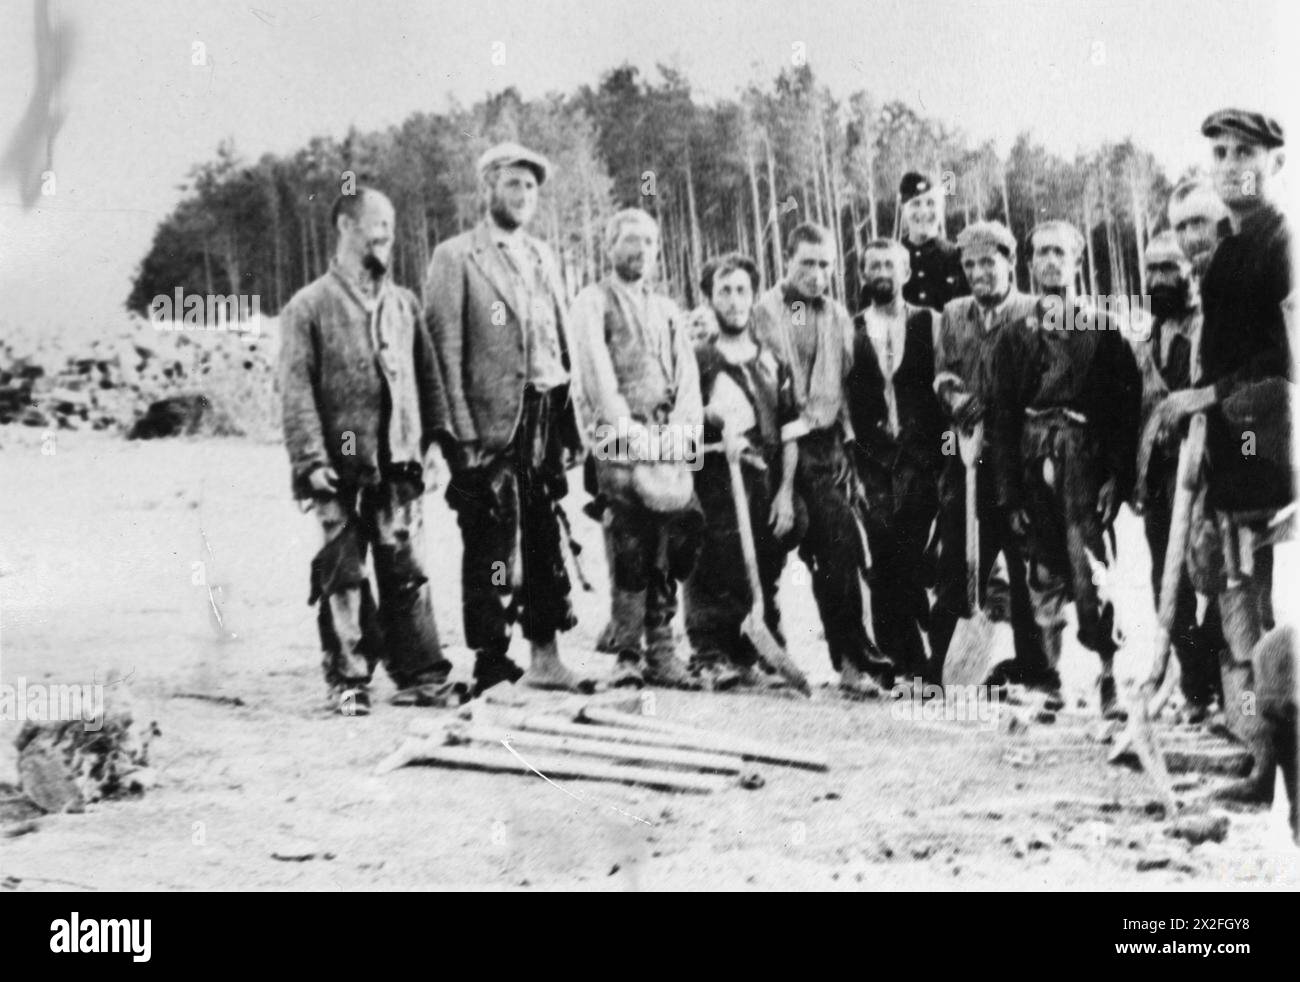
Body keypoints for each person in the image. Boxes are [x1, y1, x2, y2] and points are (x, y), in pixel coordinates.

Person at [1150, 109, 1294, 805]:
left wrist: (1208, 397)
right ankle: (1261, 763)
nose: (1233, 163)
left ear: (1277, 165)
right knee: (1242, 618)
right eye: (1220, 151)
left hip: (1273, 455)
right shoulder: (1234, 251)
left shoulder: (1281, 245)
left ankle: (1279, 771)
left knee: (1277, 622)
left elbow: (1284, 366)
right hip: (1238, 463)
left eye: (1248, 152)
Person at [279, 186, 452, 716]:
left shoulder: (403, 305)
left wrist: (436, 445)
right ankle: (349, 680)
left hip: (398, 463)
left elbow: (429, 379)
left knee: (405, 569)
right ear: (346, 227)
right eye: (378, 224)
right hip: (338, 468)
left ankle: (421, 675)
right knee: (343, 574)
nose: (387, 236)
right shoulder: (308, 306)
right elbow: (296, 389)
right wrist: (311, 461)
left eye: (392, 227)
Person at [422, 142, 587, 695]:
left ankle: (546, 656)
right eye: (512, 184)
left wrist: (570, 425)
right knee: (491, 545)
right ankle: (491, 662)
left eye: (531, 187)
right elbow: (443, 353)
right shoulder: (456, 257)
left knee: (543, 539)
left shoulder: (542, 255)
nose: (522, 195)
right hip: (488, 429)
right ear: (487, 188)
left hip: (544, 416)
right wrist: (458, 436)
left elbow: (558, 345)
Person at [991, 220, 1142, 717]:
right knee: (1041, 571)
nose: (1050, 261)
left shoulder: (1103, 331)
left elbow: (1125, 412)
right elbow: (1003, 417)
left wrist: (1117, 478)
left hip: (1083, 462)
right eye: (1041, 253)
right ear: (1030, 264)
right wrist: (1010, 495)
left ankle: (1108, 677)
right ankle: (1049, 680)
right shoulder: (1015, 336)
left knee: (1091, 570)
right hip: (1034, 460)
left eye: (1060, 252)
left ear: (1077, 260)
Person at [753, 223, 891, 696]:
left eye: (825, 264)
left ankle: (851, 662)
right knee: (772, 543)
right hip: (774, 450)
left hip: (825, 447)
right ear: (787, 261)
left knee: (840, 548)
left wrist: (848, 446)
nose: (816, 274)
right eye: (806, 263)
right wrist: (784, 486)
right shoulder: (768, 312)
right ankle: (764, 655)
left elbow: (844, 388)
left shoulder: (836, 315)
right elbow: (779, 396)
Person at [568, 208, 704, 688]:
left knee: (671, 538)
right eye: (630, 240)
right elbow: (595, 376)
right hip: (619, 441)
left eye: (649, 241)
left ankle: (663, 652)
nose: (640, 250)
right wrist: (629, 432)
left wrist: (682, 431)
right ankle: (627, 654)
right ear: (610, 247)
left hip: (666, 442)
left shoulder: (666, 309)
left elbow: (686, 377)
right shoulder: (593, 301)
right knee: (630, 543)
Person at [929, 221, 1049, 688]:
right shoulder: (954, 314)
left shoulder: (1034, 311)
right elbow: (941, 373)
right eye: (969, 264)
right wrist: (955, 397)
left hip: (1017, 464)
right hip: (966, 460)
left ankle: (1036, 670)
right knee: (958, 562)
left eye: (987, 262)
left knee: (1024, 566)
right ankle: (945, 667)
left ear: (1009, 262)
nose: (978, 272)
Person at [685, 252, 805, 690]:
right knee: (713, 559)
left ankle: (756, 649)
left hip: (766, 478)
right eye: (724, 291)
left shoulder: (772, 360)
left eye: (741, 291)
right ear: (710, 298)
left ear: (753, 297)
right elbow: (682, 418)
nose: (734, 301)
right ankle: (709, 654)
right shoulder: (696, 359)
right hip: (714, 475)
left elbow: (791, 433)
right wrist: (711, 420)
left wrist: (786, 491)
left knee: (764, 559)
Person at [1133, 231, 1225, 722]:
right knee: (1165, 585)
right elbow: (1137, 411)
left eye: (1170, 268)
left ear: (1192, 271)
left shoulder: (1215, 329)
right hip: (1160, 478)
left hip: (1207, 476)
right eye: (1151, 270)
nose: (1159, 280)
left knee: (1212, 576)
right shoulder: (1146, 337)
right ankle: (1195, 690)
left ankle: (1221, 684)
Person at [847, 238, 943, 685]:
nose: (882, 272)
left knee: (914, 548)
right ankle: (901, 661)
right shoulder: (850, 330)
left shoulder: (931, 323)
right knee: (882, 551)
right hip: (872, 459)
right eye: (873, 266)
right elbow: (843, 395)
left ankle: (931, 646)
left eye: (891, 264)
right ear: (863, 274)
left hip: (922, 459)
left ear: (905, 273)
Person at [898, 171, 969, 313]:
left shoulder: (957, 257)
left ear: (941, 207)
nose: (924, 212)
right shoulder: (891, 257)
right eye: (915, 204)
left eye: (931, 203)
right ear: (903, 209)